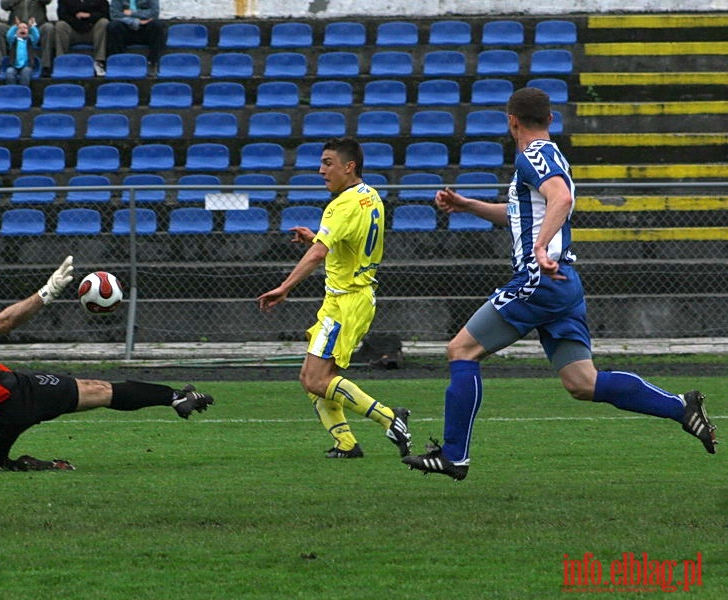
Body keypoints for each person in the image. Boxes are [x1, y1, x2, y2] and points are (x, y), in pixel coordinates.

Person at [403, 87, 718, 481]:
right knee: (582, 383)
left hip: (540, 279)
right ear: (550, 119)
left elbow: (561, 199)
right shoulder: (551, 157)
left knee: (461, 350)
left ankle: (454, 456)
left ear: (511, 121)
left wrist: (538, 248)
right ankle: (681, 407)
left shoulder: (532, 155)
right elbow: (521, 214)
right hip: (562, 281)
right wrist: (469, 205)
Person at [0, 256, 214, 471]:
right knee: (99, 391)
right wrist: (46, 293)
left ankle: (26, 466)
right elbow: (2, 323)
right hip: (13, 398)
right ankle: (174, 397)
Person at [257, 137, 411, 459]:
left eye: (328, 163)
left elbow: (319, 254)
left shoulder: (340, 205)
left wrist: (285, 287)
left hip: (346, 302)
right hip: (353, 298)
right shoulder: (370, 196)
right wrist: (315, 237)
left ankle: (390, 418)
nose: (321, 170)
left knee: (316, 380)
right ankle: (346, 444)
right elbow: (344, 244)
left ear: (348, 166)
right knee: (309, 378)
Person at [0, 0, 56, 78]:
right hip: (15, 27)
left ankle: (46, 67)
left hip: (36, 27)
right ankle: (0, 65)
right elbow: (4, 5)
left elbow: (47, 1)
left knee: (48, 27)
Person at [106, 0, 165, 76]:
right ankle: (119, 62)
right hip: (126, 28)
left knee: (158, 25)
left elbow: (154, 13)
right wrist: (136, 21)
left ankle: (152, 63)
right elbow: (115, 15)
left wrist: (132, 13)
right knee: (113, 26)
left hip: (145, 29)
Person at [55, 0, 110, 76]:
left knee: (104, 22)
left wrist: (89, 16)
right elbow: (62, 15)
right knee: (60, 25)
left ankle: (99, 62)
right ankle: (61, 61)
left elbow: (105, 14)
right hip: (73, 31)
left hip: (92, 31)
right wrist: (77, 22)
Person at [3, 18, 40, 85]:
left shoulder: (30, 40)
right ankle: (12, 90)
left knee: (25, 73)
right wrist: (15, 26)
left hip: (27, 66)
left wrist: (32, 26)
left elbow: (36, 35)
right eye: (20, 28)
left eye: (25, 28)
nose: (22, 29)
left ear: (28, 31)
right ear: (16, 31)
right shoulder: (13, 40)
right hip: (14, 65)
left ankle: (23, 91)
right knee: (9, 72)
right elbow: (9, 35)